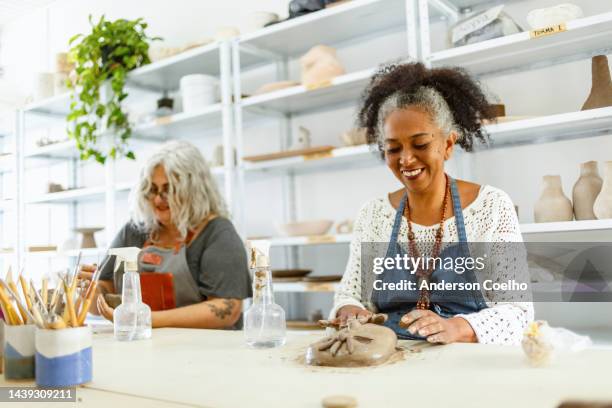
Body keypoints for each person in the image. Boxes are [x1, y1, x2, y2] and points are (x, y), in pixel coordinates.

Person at [331, 62, 533, 345]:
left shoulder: (491, 206)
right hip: (390, 359)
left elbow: (519, 312)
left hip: (464, 363)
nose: (406, 159)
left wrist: (457, 328)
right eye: (393, 148)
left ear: (448, 144)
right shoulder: (373, 214)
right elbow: (349, 294)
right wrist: (349, 310)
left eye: (420, 144)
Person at [80, 140, 251, 329]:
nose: (158, 198)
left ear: (194, 191)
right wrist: (91, 293)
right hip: (142, 345)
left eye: (169, 189)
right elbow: (105, 291)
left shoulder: (217, 233)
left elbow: (226, 309)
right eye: (152, 189)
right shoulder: (135, 231)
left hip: (203, 351)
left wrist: (146, 320)